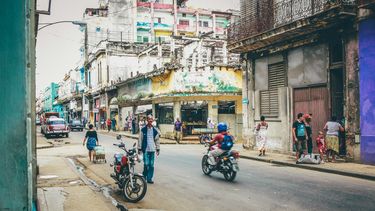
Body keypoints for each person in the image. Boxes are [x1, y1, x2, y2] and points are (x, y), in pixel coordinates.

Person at [138, 115, 160, 184]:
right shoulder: (143, 129)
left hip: (152, 150)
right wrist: (139, 148)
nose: (150, 120)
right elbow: (140, 139)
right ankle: (144, 176)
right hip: (146, 150)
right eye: (149, 119)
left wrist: (158, 148)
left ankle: (149, 178)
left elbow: (157, 140)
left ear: (152, 120)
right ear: (147, 120)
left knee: (151, 165)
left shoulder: (155, 130)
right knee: (146, 164)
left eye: (151, 119)